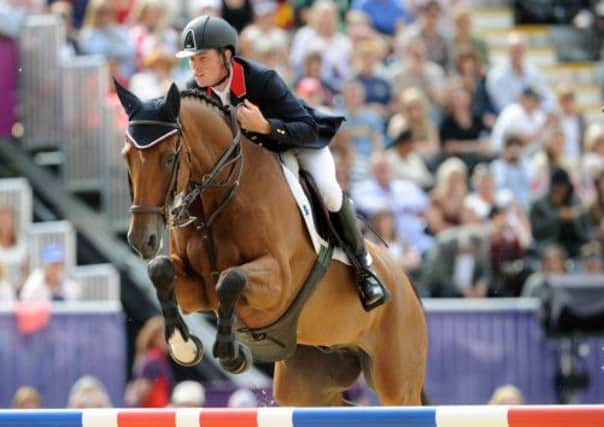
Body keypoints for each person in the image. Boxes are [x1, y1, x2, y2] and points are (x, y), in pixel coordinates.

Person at [175, 15, 386, 310]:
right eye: (190, 60)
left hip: (294, 144)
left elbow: (307, 128)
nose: (195, 67)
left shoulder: (262, 79)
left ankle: (364, 269)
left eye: (202, 58)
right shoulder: (193, 90)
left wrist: (266, 127)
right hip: (248, 164)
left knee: (328, 190)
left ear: (226, 56)